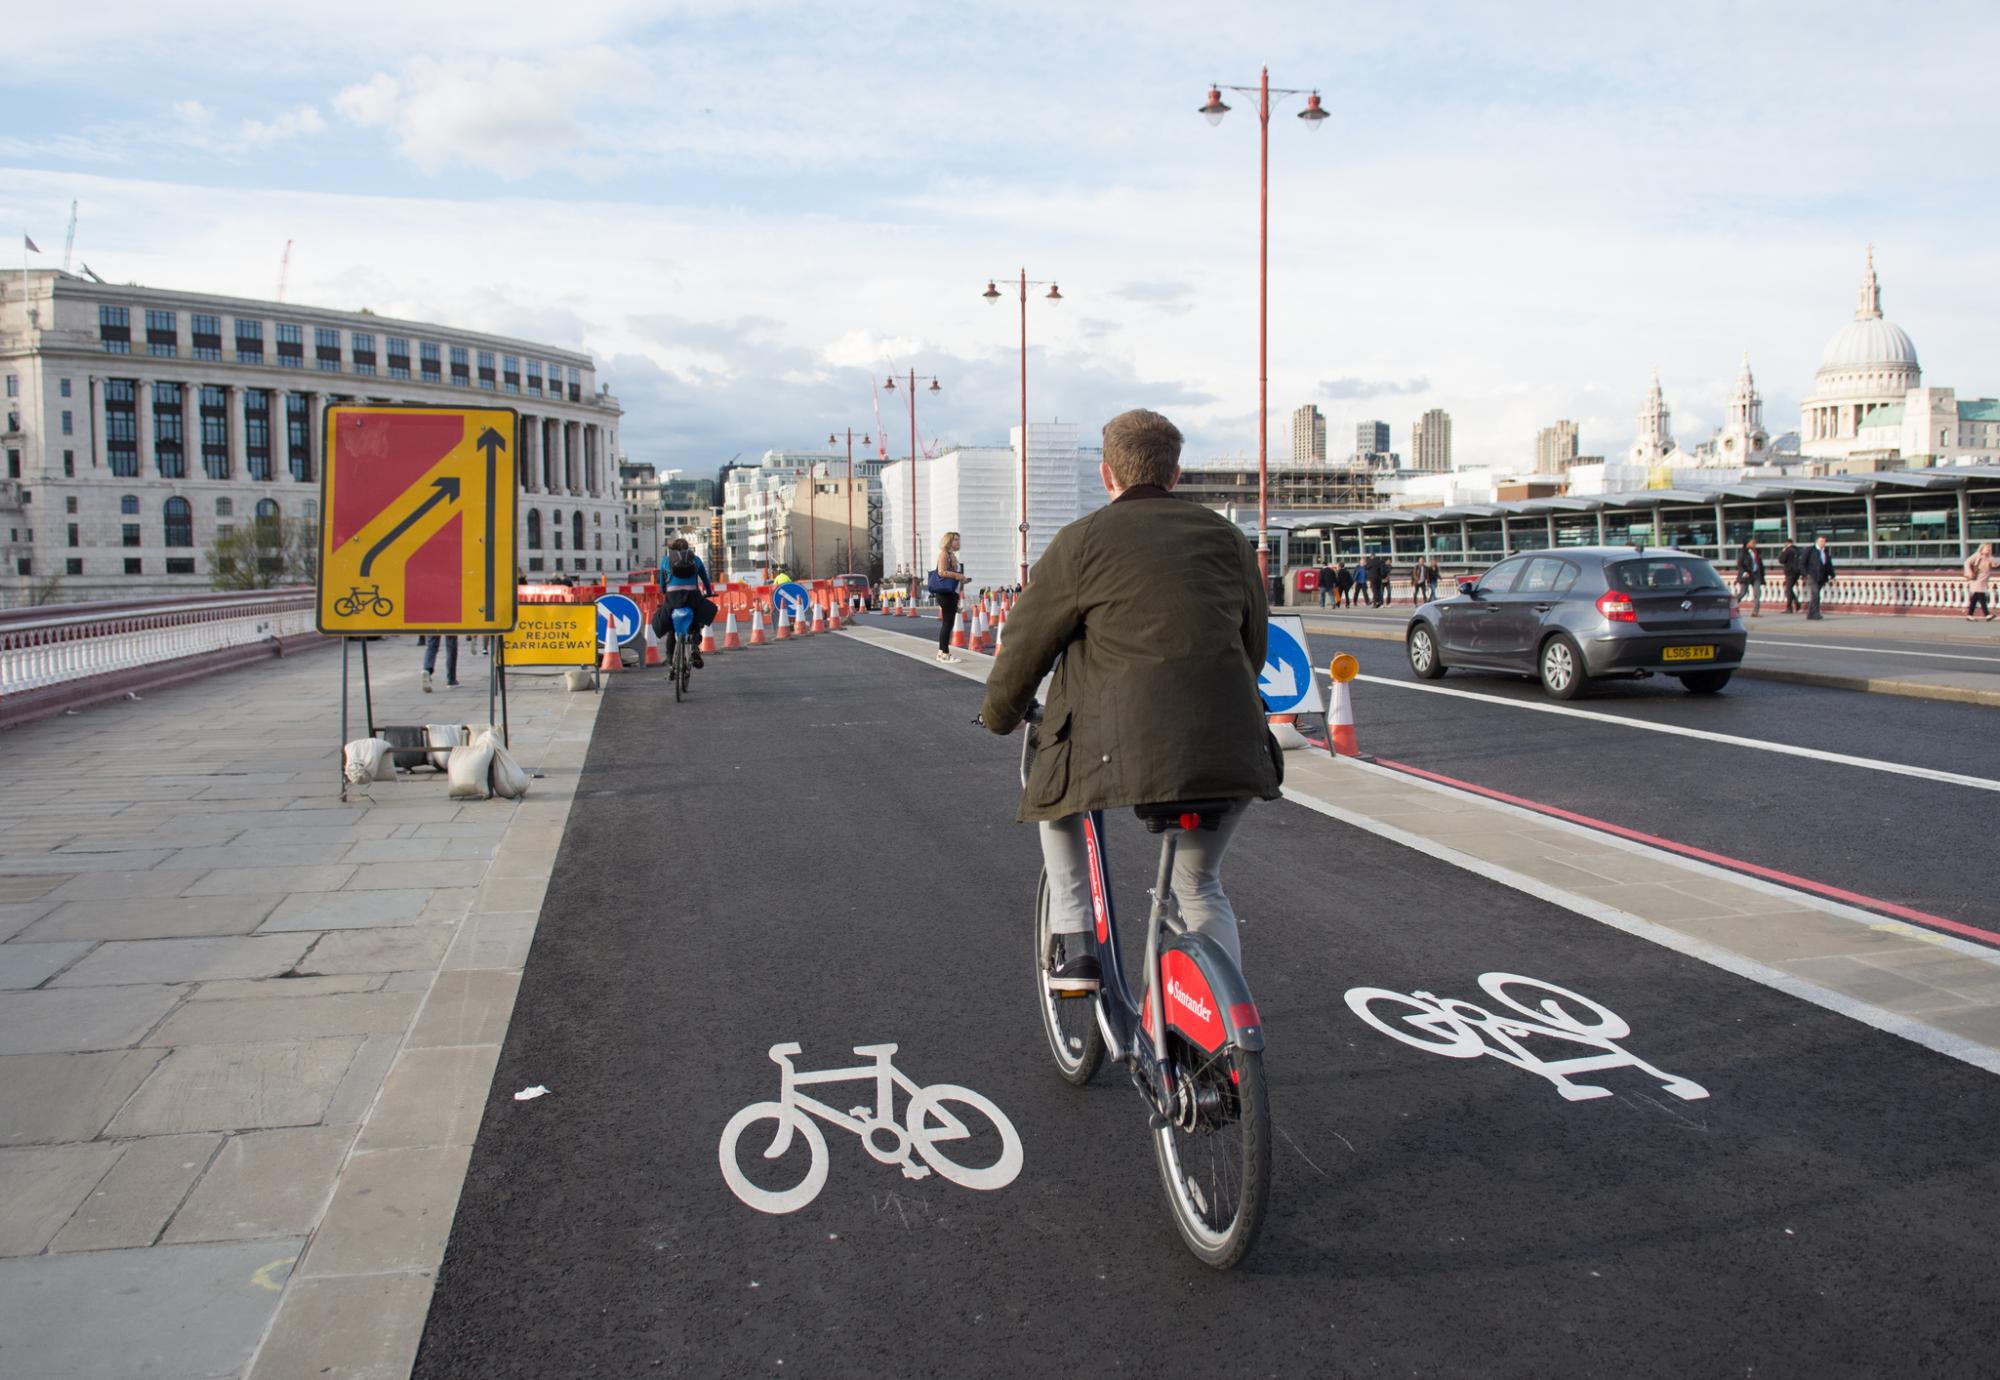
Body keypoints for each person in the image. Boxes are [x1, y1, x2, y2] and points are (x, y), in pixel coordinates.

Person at [979, 408, 1282, 986]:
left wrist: (1001, 715)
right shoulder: (1229, 538)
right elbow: (1254, 647)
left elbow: (1024, 647)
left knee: (1055, 794)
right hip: (1232, 743)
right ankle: (1220, 1034)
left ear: (1106, 474)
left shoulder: (1080, 542)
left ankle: (1074, 941)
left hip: (1114, 746)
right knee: (1199, 884)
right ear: (1174, 474)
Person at [658, 537, 717, 668]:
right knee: (696, 618)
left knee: (672, 627)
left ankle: (669, 658)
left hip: (673, 597)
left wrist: (664, 592)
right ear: (688, 549)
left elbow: (662, 583)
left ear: (673, 550)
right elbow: (705, 579)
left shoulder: (665, 560)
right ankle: (695, 647)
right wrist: (708, 591)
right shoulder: (695, 560)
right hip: (692, 595)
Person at [931, 531, 969, 663]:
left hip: (952, 593)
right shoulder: (944, 554)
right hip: (945, 593)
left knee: (948, 623)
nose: (958, 542)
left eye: (958, 539)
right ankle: (945, 654)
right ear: (949, 541)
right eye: (956, 540)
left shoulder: (951, 555)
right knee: (947, 624)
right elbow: (941, 572)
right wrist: (958, 576)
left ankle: (941, 652)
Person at [1803, 535, 1835, 620]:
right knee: (1815, 594)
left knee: (1815, 595)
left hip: (1821, 576)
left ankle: (1810, 614)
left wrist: (1832, 575)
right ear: (1817, 541)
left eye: (1824, 542)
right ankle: (1816, 613)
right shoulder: (1810, 550)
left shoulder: (1825, 551)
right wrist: (1806, 574)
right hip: (1812, 576)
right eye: (1821, 541)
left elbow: (1828, 564)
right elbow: (1802, 562)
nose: (1823, 543)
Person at [1735, 536, 1765, 617]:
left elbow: (1760, 564)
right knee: (1742, 592)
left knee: (1757, 593)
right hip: (1746, 575)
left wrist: (1762, 575)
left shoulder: (1757, 552)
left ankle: (1756, 612)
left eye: (1755, 543)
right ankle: (1732, 605)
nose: (1755, 544)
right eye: (1753, 542)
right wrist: (1744, 572)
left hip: (1756, 575)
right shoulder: (1743, 552)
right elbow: (1739, 564)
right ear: (1748, 544)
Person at [1966, 542, 1995, 622]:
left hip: (1983, 579)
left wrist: (1991, 559)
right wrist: (1969, 572)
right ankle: (1987, 615)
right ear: (1982, 548)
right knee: (1982, 597)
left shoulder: (1989, 557)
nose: (1989, 550)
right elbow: (1967, 562)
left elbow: (1995, 564)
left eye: (1990, 548)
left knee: (1975, 598)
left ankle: (1969, 615)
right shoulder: (1977, 555)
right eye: (1987, 548)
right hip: (1977, 579)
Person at [1779, 539, 1802, 613]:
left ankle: (1790, 607)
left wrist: (1783, 551)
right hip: (1797, 572)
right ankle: (1796, 603)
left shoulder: (1787, 551)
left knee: (1788, 589)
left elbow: (1781, 560)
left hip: (1790, 571)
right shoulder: (1798, 550)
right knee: (1789, 588)